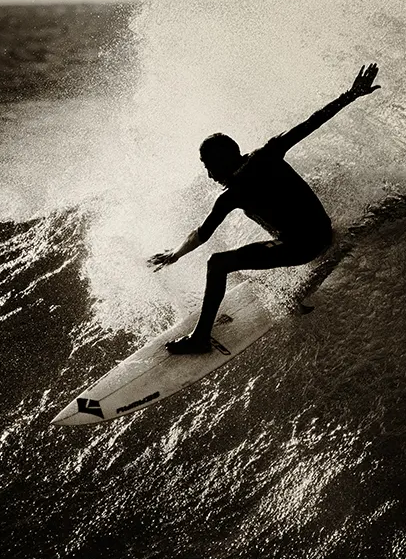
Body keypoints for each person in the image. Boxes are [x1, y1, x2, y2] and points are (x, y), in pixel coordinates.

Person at [148, 63, 381, 354]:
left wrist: (175, 255)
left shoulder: (234, 193)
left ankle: (200, 339)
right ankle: (303, 284)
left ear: (223, 161)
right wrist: (350, 95)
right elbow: (312, 122)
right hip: (322, 232)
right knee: (254, 251)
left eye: (209, 167)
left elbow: (202, 234)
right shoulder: (267, 155)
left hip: (304, 246)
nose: (209, 175)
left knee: (218, 263)